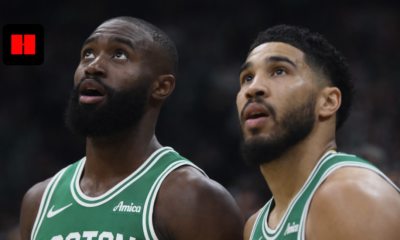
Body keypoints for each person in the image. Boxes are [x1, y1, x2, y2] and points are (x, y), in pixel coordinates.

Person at [20, 16, 244, 240]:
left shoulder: (192, 199)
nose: (93, 67)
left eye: (119, 55)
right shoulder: (38, 202)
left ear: (161, 87)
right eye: (88, 53)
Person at [237, 25, 400, 240]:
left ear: (328, 102)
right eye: (247, 77)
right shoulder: (254, 226)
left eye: (279, 71)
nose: (253, 88)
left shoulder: (352, 197)